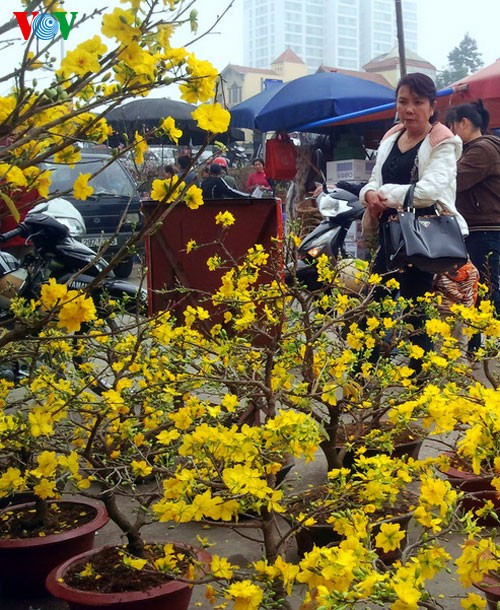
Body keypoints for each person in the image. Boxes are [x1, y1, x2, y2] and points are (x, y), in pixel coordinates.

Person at [360, 72, 468, 364]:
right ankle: (361, 371)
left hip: (423, 237)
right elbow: (374, 178)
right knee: (373, 303)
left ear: (432, 107)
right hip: (391, 235)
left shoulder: (442, 141)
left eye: (418, 102)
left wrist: (384, 194)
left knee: (416, 308)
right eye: (402, 101)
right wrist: (369, 194)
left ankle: (418, 380)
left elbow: (430, 191)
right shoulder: (391, 137)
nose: (409, 109)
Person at [446, 100, 500, 352]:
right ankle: (478, 348)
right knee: (479, 291)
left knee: (486, 293)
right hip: (481, 229)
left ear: (463, 123)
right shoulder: (481, 147)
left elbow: (454, 180)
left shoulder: (481, 150)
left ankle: (485, 349)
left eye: (451, 125)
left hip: (485, 230)